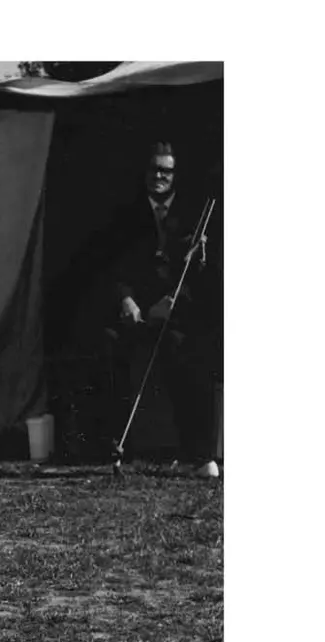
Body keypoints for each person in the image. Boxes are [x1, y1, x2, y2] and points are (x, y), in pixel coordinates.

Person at [109, 141, 222, 477]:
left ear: (175, 175)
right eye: (154, 169)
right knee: (109, 345)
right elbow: (115, 265)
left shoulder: (192, 215)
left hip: (177, 311)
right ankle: (117, 447)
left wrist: (172, 302)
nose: (159, 176)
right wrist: (127, 299)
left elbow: (198, 274)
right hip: (138, 310)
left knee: (188, 355)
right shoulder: (128, 213)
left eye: (166, 171)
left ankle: (199, 455)